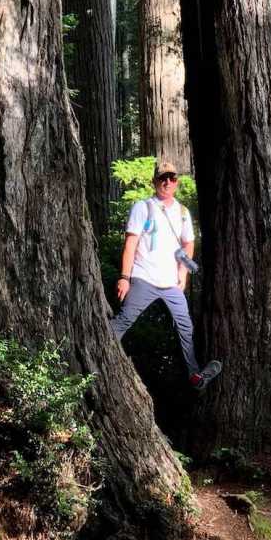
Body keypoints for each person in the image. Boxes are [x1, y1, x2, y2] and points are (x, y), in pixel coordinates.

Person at [110, 160, 222, 391]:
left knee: (185, 327)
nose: (167, 182)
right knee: (124, 320)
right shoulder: (143, 207)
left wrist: (183, 274)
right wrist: (124, 277)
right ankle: (99, 356)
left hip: (171, 283)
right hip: (143, 278)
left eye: (171, 178)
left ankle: (194, 377)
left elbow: (188, 244)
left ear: (176, 182)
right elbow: (130, 244)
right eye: (163, 178)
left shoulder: (182, 212)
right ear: (155, 182)